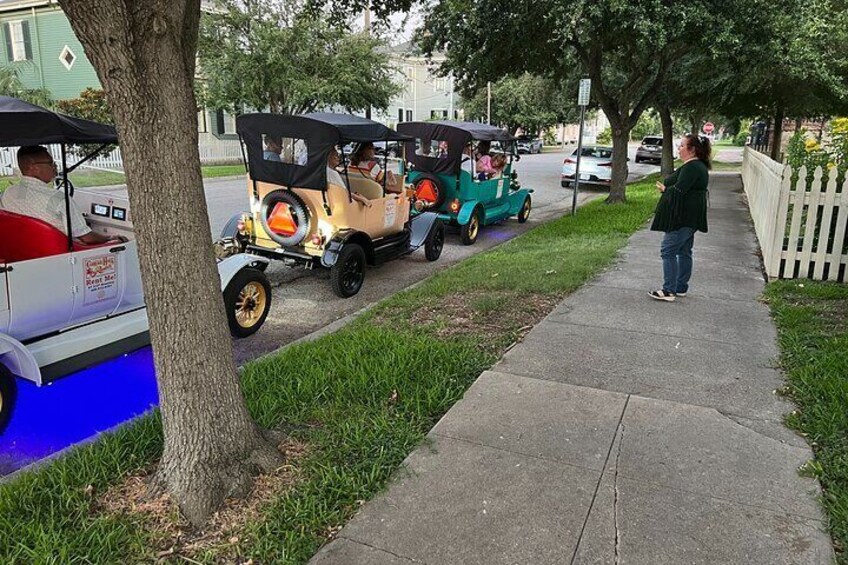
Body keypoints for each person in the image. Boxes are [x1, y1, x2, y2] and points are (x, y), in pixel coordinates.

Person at [0, 145, 126, 245]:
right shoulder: (59, 199)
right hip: (62, 255)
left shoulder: (9, 193)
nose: (54, 168)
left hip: (23, 250)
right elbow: (87, 237)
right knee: (121, 242)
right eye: (50, 163)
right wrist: (110, 237)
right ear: (33, 167)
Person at [649, 134, 711, 302]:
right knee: (684, 251)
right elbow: (674, 182)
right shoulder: (693, 166)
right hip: (690, 217)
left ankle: (669, 290)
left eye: (682, 146)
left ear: (692, 150)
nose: (679, 148)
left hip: (682, 217)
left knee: (668, 250)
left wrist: (664, 190)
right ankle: (680, 287)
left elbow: (679, 190)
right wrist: (667, 185)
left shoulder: (692, 168)